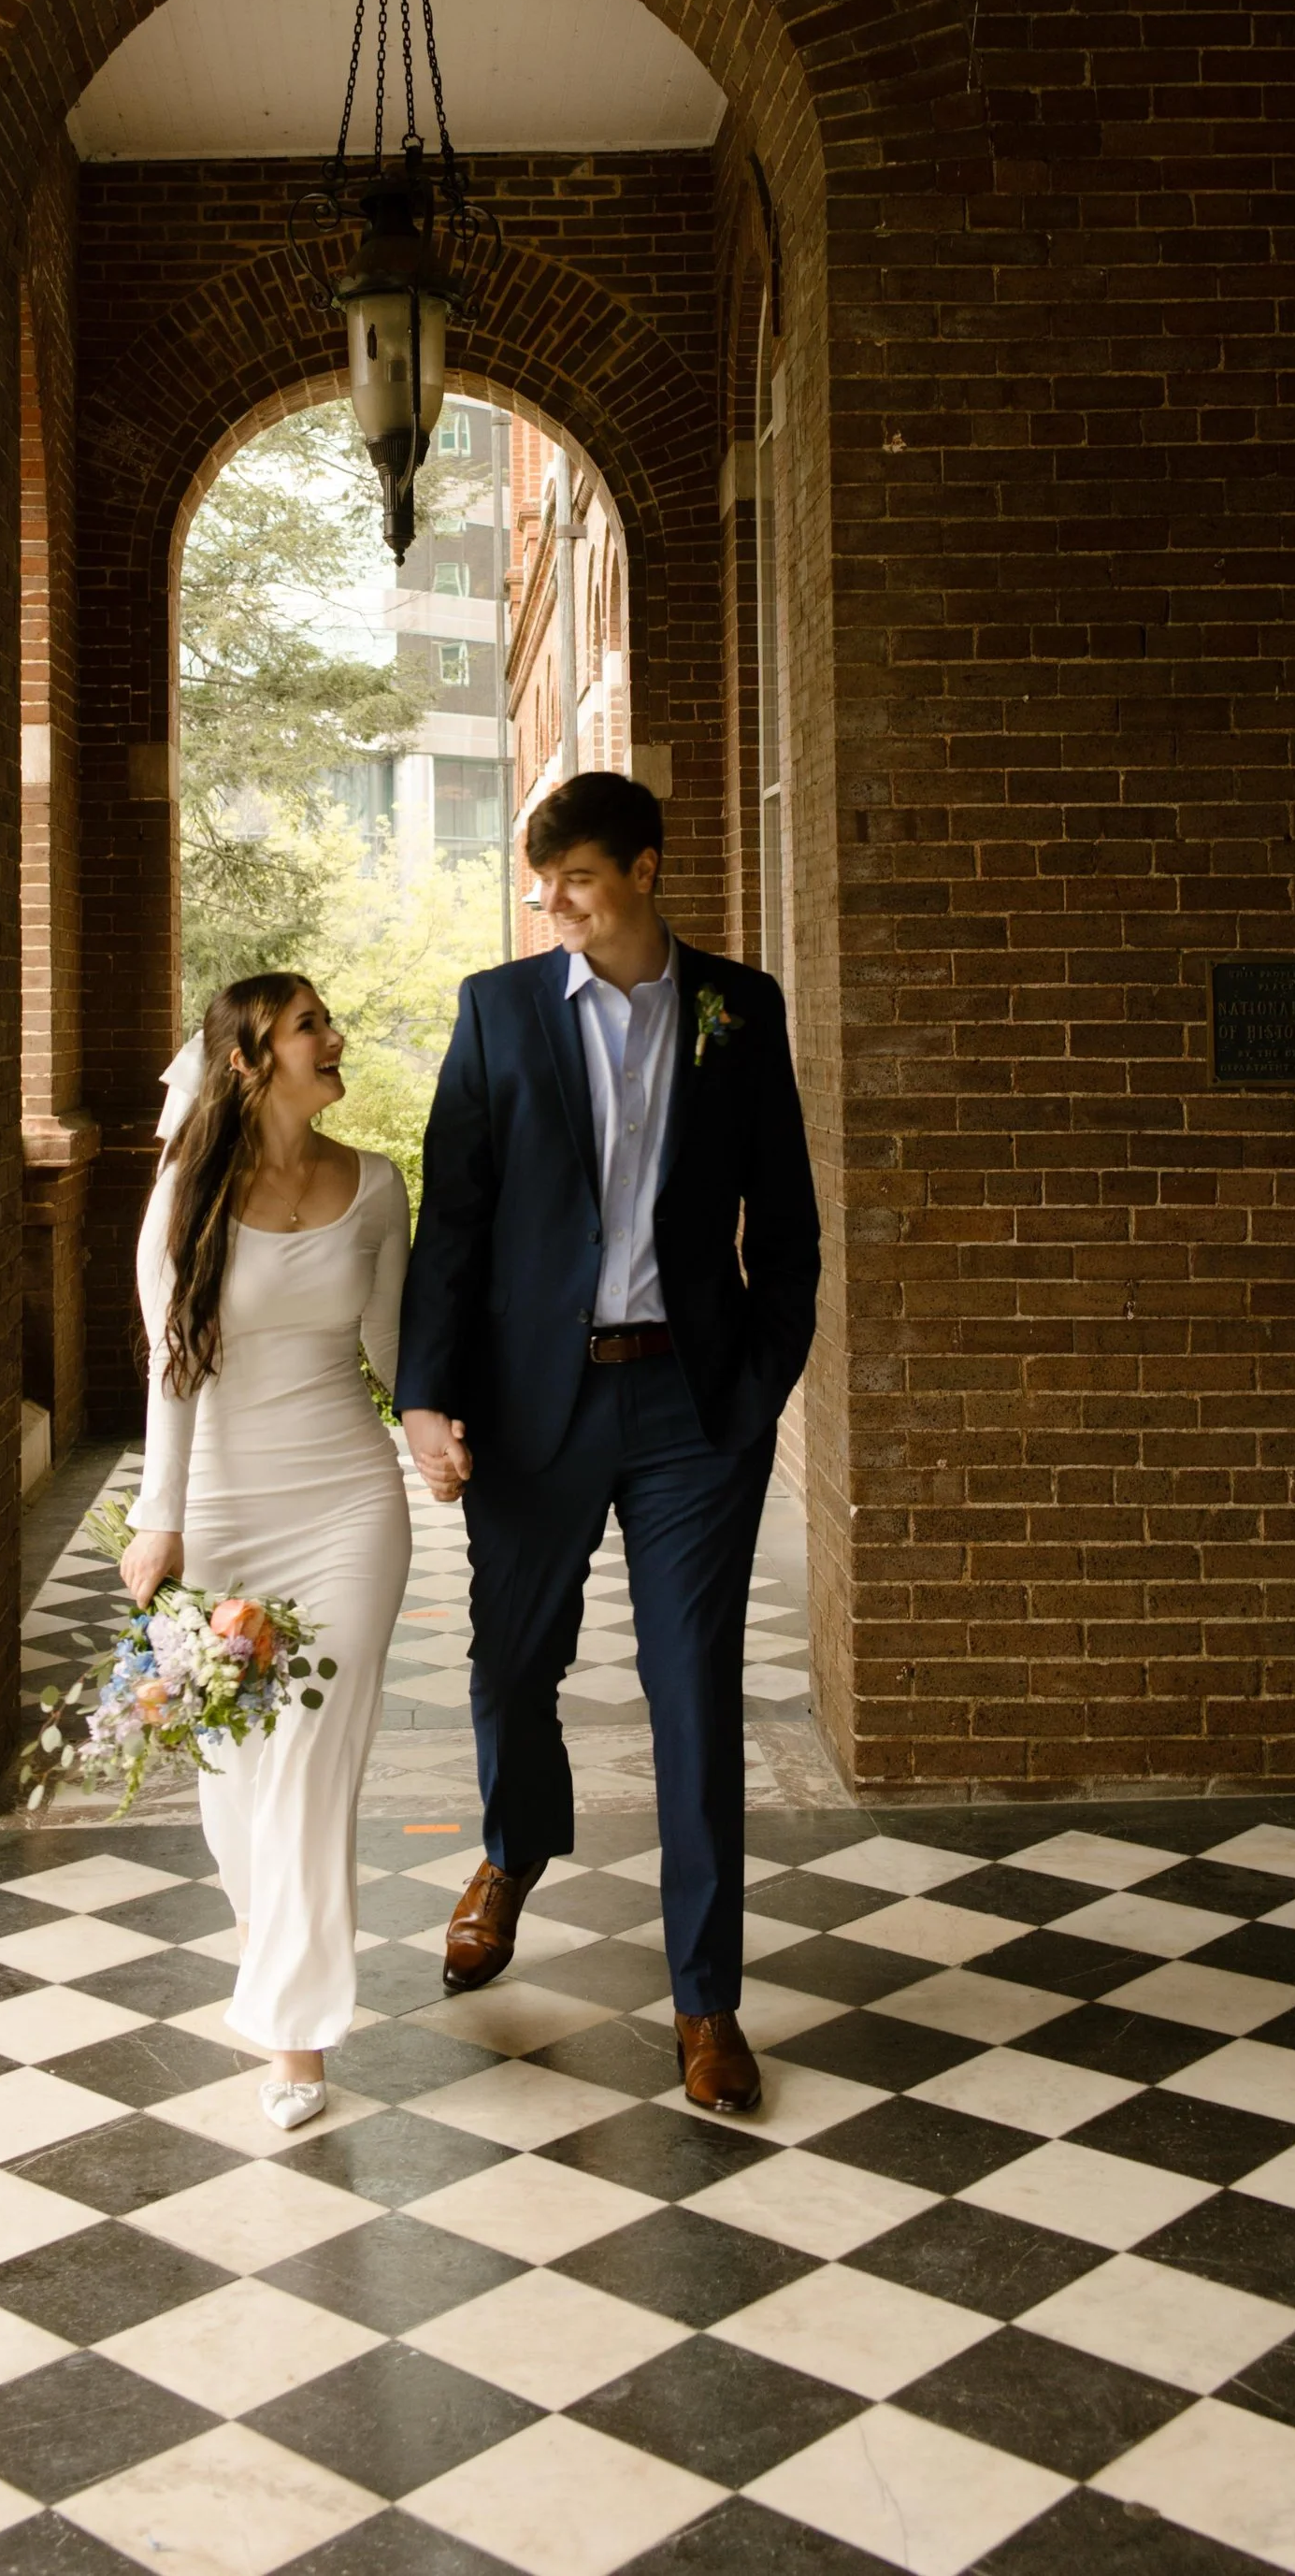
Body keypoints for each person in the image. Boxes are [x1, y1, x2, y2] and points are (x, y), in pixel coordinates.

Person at [394, 770, 819, 2113]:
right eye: (541, 880)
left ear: (641, 866)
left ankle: (707, 2001)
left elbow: (789, 1221)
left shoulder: (737, 1010)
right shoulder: (499, 1011)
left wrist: (756, 1388)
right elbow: (454, 1220)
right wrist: (425, 1394)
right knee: (513, 1660)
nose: (553, 901)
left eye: (575, 876)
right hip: (535, 1402)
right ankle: (515, 1849)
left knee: (695, 1693)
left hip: (694, 1411)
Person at [123, 971, 410, 2128]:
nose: (333, 1039)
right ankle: (261, 1920)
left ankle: (293, 2033)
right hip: (230, 1506)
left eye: (326, 1021)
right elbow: (171, 1365)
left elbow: (393, 1356)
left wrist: (450, 1429)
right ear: (249, 1061)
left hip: (350, 1502)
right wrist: (161, 1515)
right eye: (309, 1028)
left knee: (308, 1759)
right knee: (237, 1763)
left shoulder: (379, 1186)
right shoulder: (185, 1196)